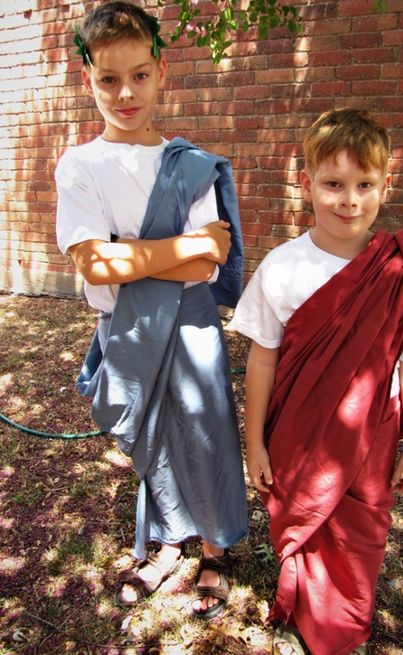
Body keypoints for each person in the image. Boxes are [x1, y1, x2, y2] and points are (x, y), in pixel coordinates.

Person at [229, 108, 403, 655]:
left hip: (369, 438)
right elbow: (263, 358)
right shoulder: (281, 268)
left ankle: (342, 626)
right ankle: (303, 603)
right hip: (297, 434)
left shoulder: (399, 271)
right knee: (301, 522)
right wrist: (253, 440)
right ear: (306, 185)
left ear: (384, 186)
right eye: (332, 184)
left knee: (358, 537)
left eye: (364, 185)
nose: (348, 200)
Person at [55, 0, 247, 618]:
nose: (126, 92)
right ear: (89, 79)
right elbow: (93, 265)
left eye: (139, 74)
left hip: (191, 327)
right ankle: (166, 540)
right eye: (109, 78)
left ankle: (214, 549)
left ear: (161, 70)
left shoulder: (190, 167)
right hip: (126, 327)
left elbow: (201, 268)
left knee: (207, 431)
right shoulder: (80, 164)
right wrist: (181, 246)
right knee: (155, 442)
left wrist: (128, 251)